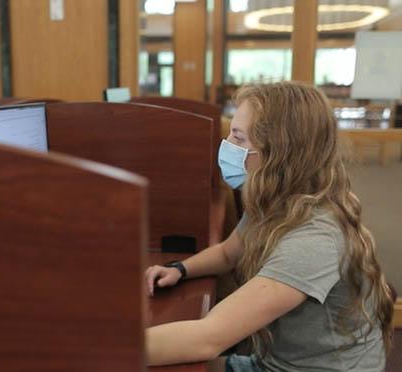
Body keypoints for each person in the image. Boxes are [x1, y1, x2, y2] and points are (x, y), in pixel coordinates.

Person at [145, 81, 394, 371]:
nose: (227, 147)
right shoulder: (279, 203)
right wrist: (180, 269)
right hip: (279, 359)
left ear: (279, 152)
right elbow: (229, 253)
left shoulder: (314, 239)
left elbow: (208, 338)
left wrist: (101, 347)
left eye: (239, 139)